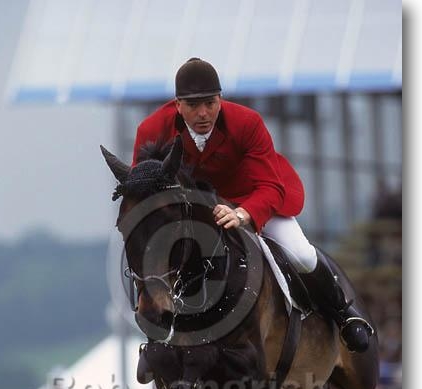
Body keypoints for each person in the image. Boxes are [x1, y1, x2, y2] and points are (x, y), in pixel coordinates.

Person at [132, 57, 373, 353]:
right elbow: (144, 189)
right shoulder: (152, 129)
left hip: (253, 199)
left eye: (210, 103)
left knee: (302, 255)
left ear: (220, 99)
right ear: (178, 105)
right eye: (193, 105)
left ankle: (342, 313)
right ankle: (158, 338)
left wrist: (243, 213)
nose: (203, 113)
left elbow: (270, 186)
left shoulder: (246, 122)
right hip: (196, 214)